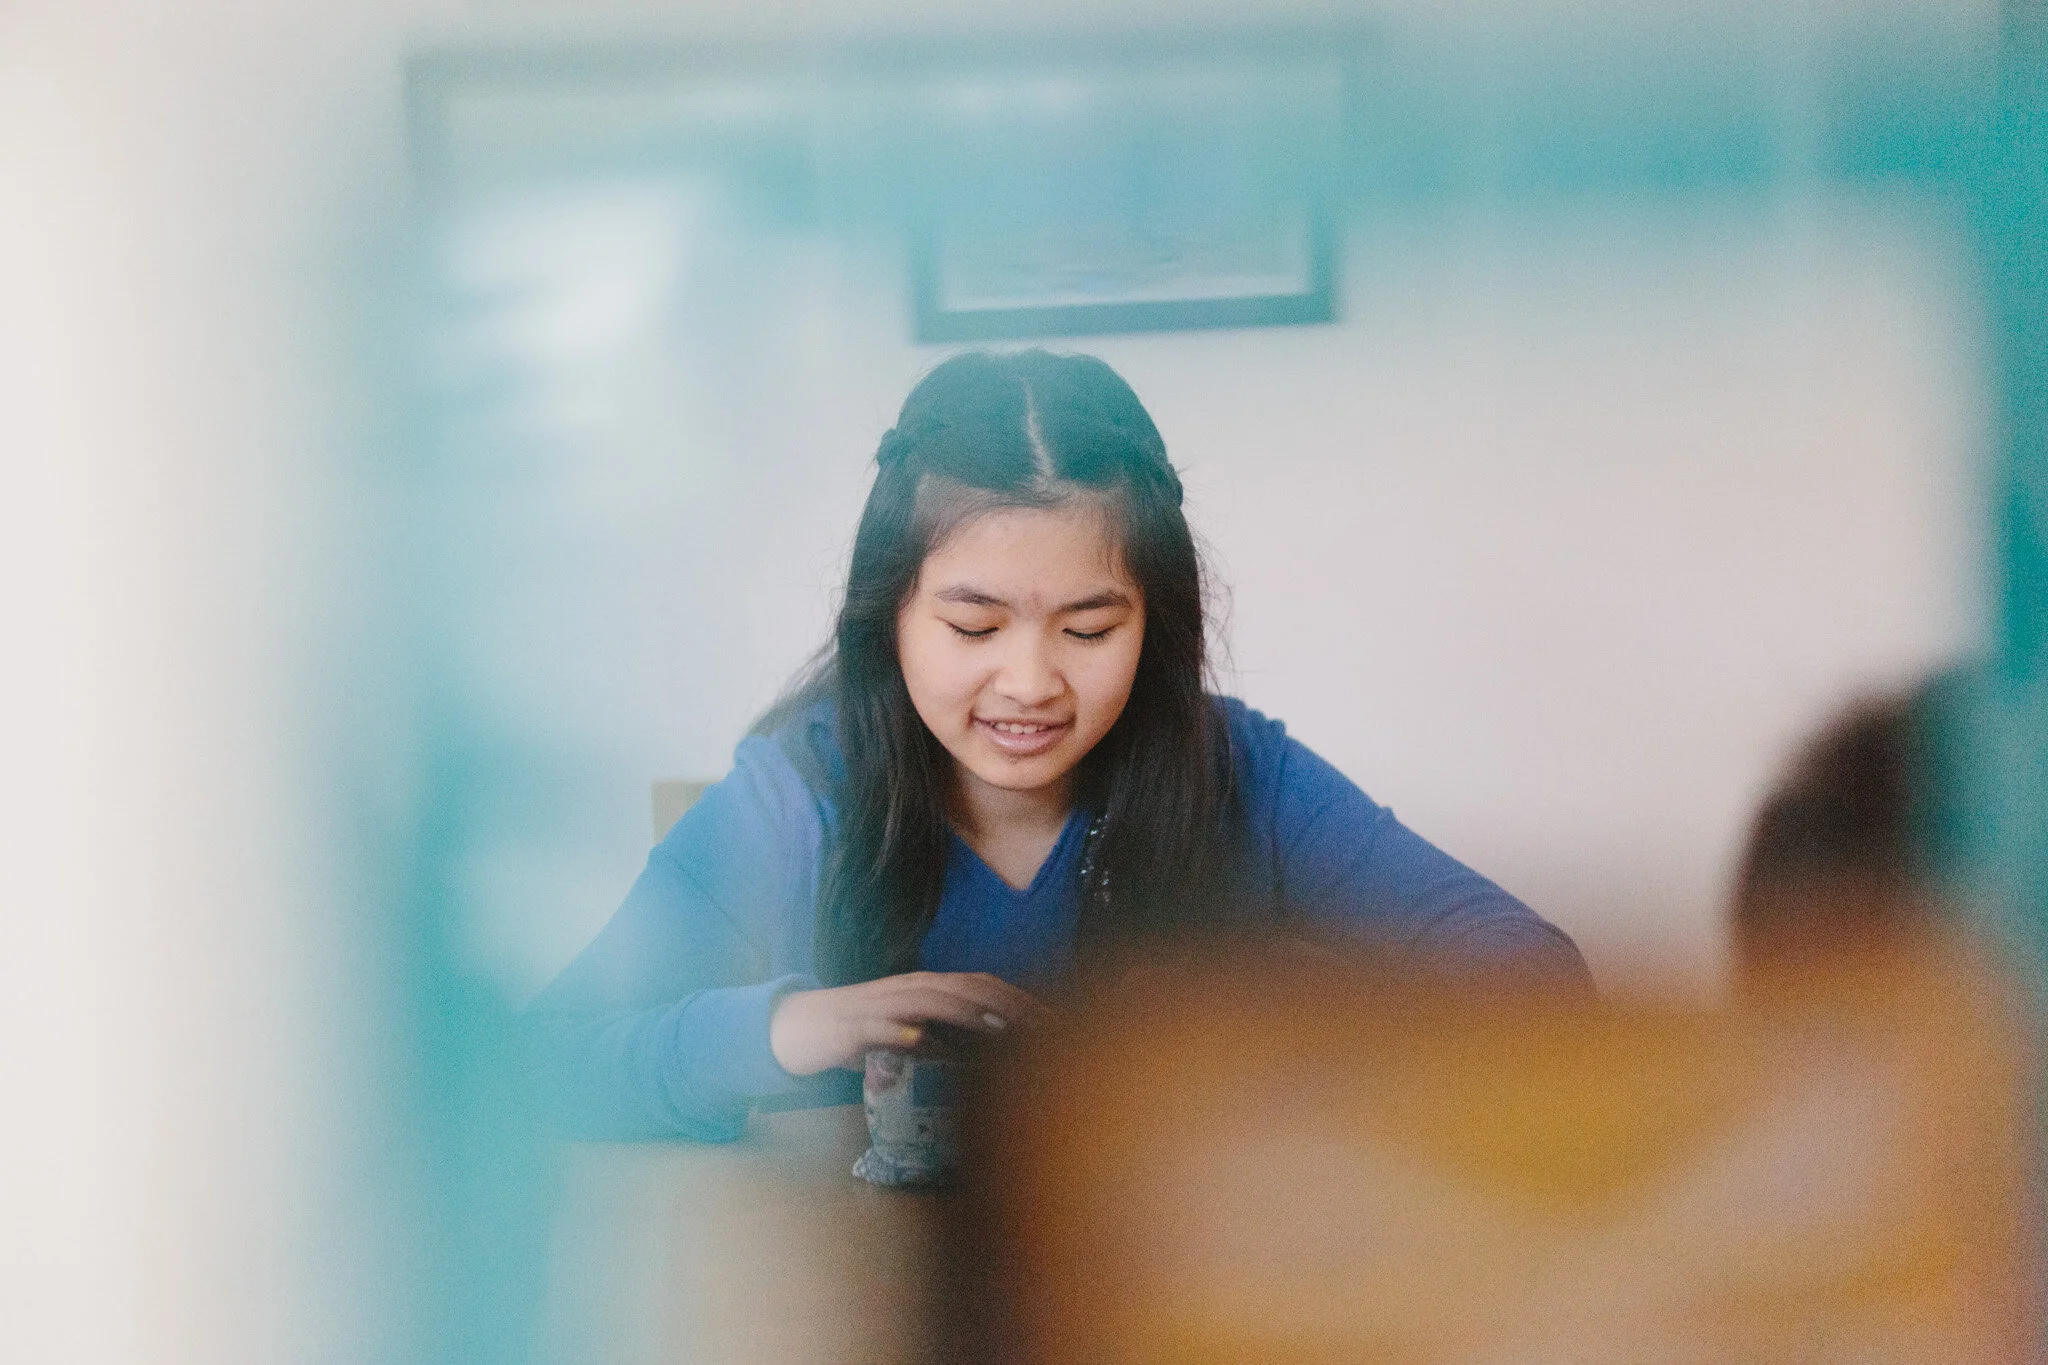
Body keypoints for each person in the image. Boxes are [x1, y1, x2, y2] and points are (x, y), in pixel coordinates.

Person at [526, 350, 1592, 1141]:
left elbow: (1533, 979)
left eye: (1089, 629)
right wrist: (793, 1026)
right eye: (973, 627)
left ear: (1154, 623)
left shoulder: (1238, 774)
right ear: (886, 616)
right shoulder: (796, 795)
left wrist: (1259, 1017)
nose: (1031, 682)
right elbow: (530, 1068)